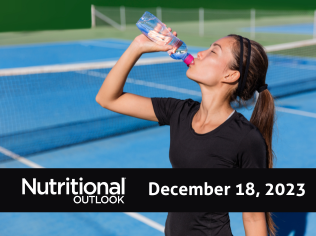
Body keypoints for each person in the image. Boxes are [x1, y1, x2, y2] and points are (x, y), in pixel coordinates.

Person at [95, 25, 277, 236]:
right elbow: (108, 98)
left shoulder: (245, 138)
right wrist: (138, 46)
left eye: (213, 51)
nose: (200, 53)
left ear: (230, 75)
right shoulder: (179, 112)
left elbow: (254, 216)